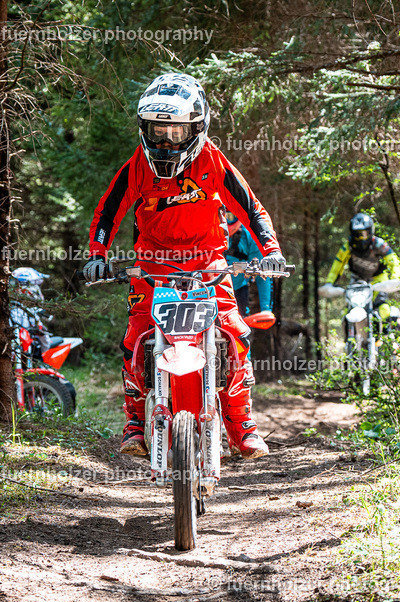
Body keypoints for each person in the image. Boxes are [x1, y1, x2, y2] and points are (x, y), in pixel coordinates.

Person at [82, 73, 287, 460]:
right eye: (157, 130)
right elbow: (107, 212)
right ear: (144, 128)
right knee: (137, 337)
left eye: (175, 132)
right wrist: (97, 255)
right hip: (153, 265)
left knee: (235, 335)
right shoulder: (137, 166)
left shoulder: (212, 159)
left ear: (196, 128)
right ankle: (135, 426)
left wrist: (270, 251)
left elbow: (250, 207)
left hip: (209, 262)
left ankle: (241, 427)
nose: (164, 141)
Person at [323, 212, 400, 327]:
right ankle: (350, 340)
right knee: (349, 311)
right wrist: (330, 283)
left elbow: (394, 261)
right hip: (357, 281)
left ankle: (383, 338)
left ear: (370, 231)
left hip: (378, 280)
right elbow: (337, 265)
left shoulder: (379, 244)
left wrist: (395, 279)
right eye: (357, 234)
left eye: (364, 234)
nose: (361, 238)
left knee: (383, 309)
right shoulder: (348, 246)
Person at [223, 210, 273, 320]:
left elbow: (262, 273)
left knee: (241, 329)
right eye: (223, 216)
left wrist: (266, 309)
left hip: (238, 290)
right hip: (210, 289)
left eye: (231, 216)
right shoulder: (208, 234)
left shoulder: (250, 237)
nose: (227, 220)